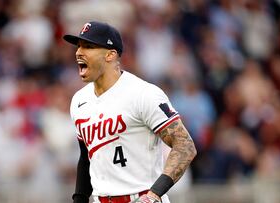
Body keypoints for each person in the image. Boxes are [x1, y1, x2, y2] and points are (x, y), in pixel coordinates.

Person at [63, 21, 197, 203]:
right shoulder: (79, 100)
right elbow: (86, 157)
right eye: (78, 46)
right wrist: (79, 199)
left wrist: (154, 193)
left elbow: (185, 146)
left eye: (88, 46)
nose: (79, 52)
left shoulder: (143, 93)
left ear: (110, 55)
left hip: (141, 198)